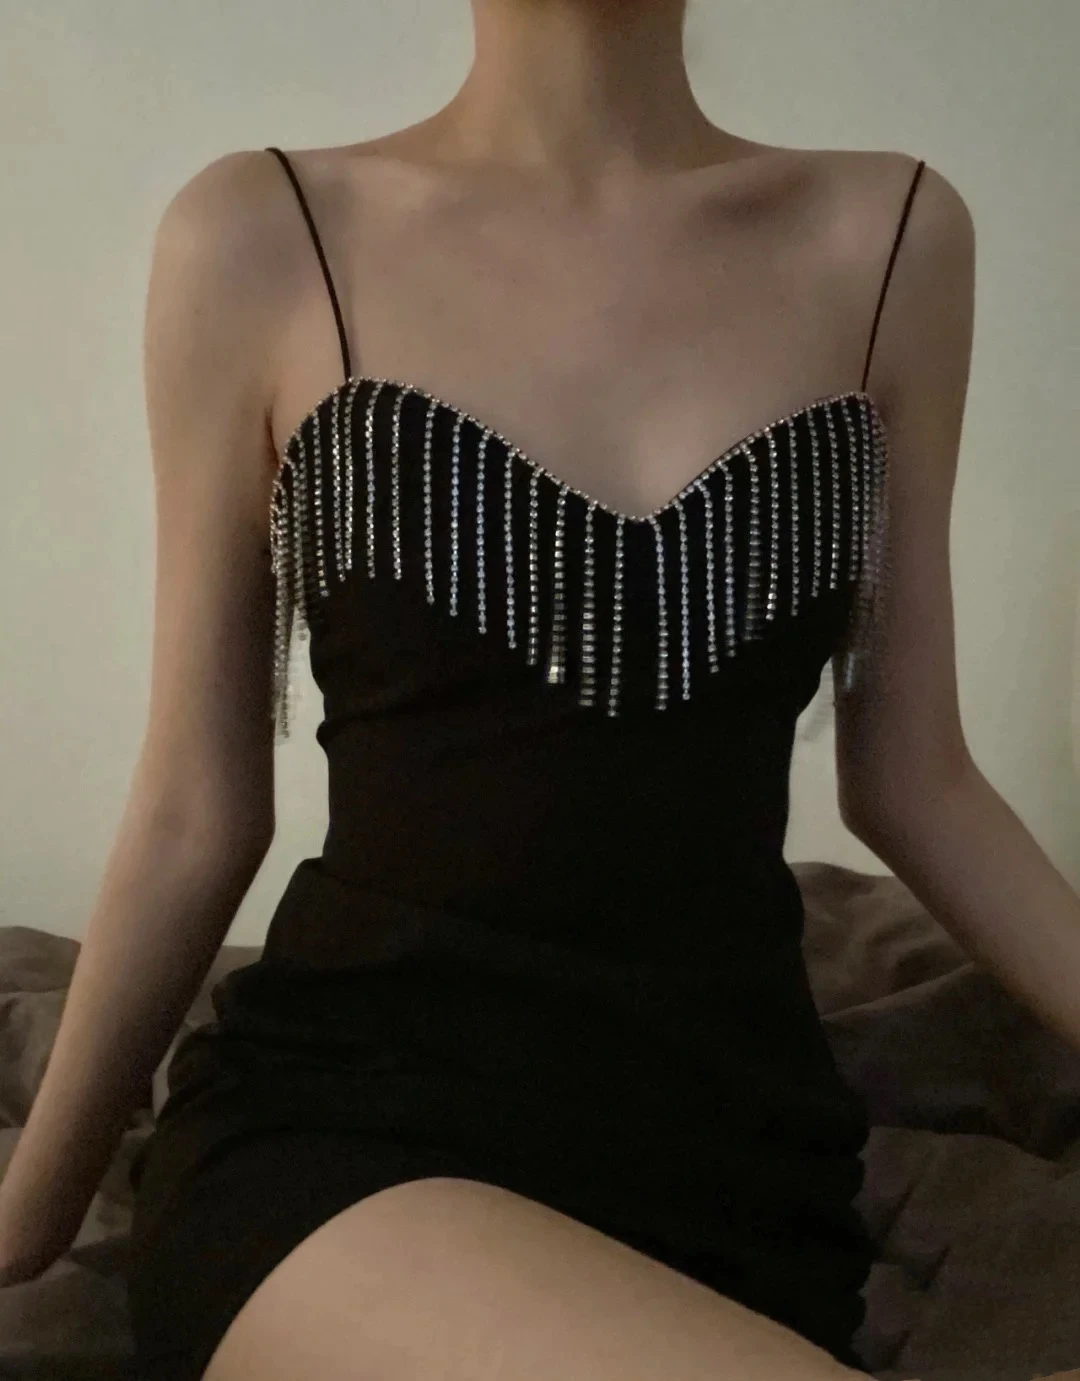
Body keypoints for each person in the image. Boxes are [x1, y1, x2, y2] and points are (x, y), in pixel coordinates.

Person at [6, 2, 1080, 1379]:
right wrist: (33, 1212)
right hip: (356, 1138)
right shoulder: (263, 235)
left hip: (733, 1156)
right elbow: (194, 814)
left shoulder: (890, 238)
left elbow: (918, 780)